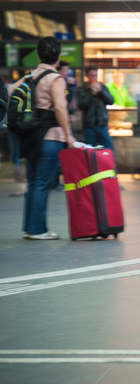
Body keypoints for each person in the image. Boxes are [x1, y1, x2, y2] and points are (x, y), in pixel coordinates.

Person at [8, 36, 76, 240]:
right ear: (59, 55)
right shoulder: (55, 79)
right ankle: (38, 229)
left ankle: (31, 227)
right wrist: (69, 135)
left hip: (30, 136)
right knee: (42, 183)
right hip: (49, 136)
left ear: (39, 54)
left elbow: (11, 91)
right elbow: (60, 107)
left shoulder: (30, 76)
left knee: (34, 183)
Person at [76, 65, 115, 150]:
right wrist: (91, 93)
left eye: (95, 75)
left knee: (109, 149)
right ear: (86, 76)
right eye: (91, 75)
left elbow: (111, 101)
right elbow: (81, 105)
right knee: (90, 150)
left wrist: (100, 92)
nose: (94, 78)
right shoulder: (82, 89)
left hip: (102, 124)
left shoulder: (103, 87)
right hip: (89, 125)